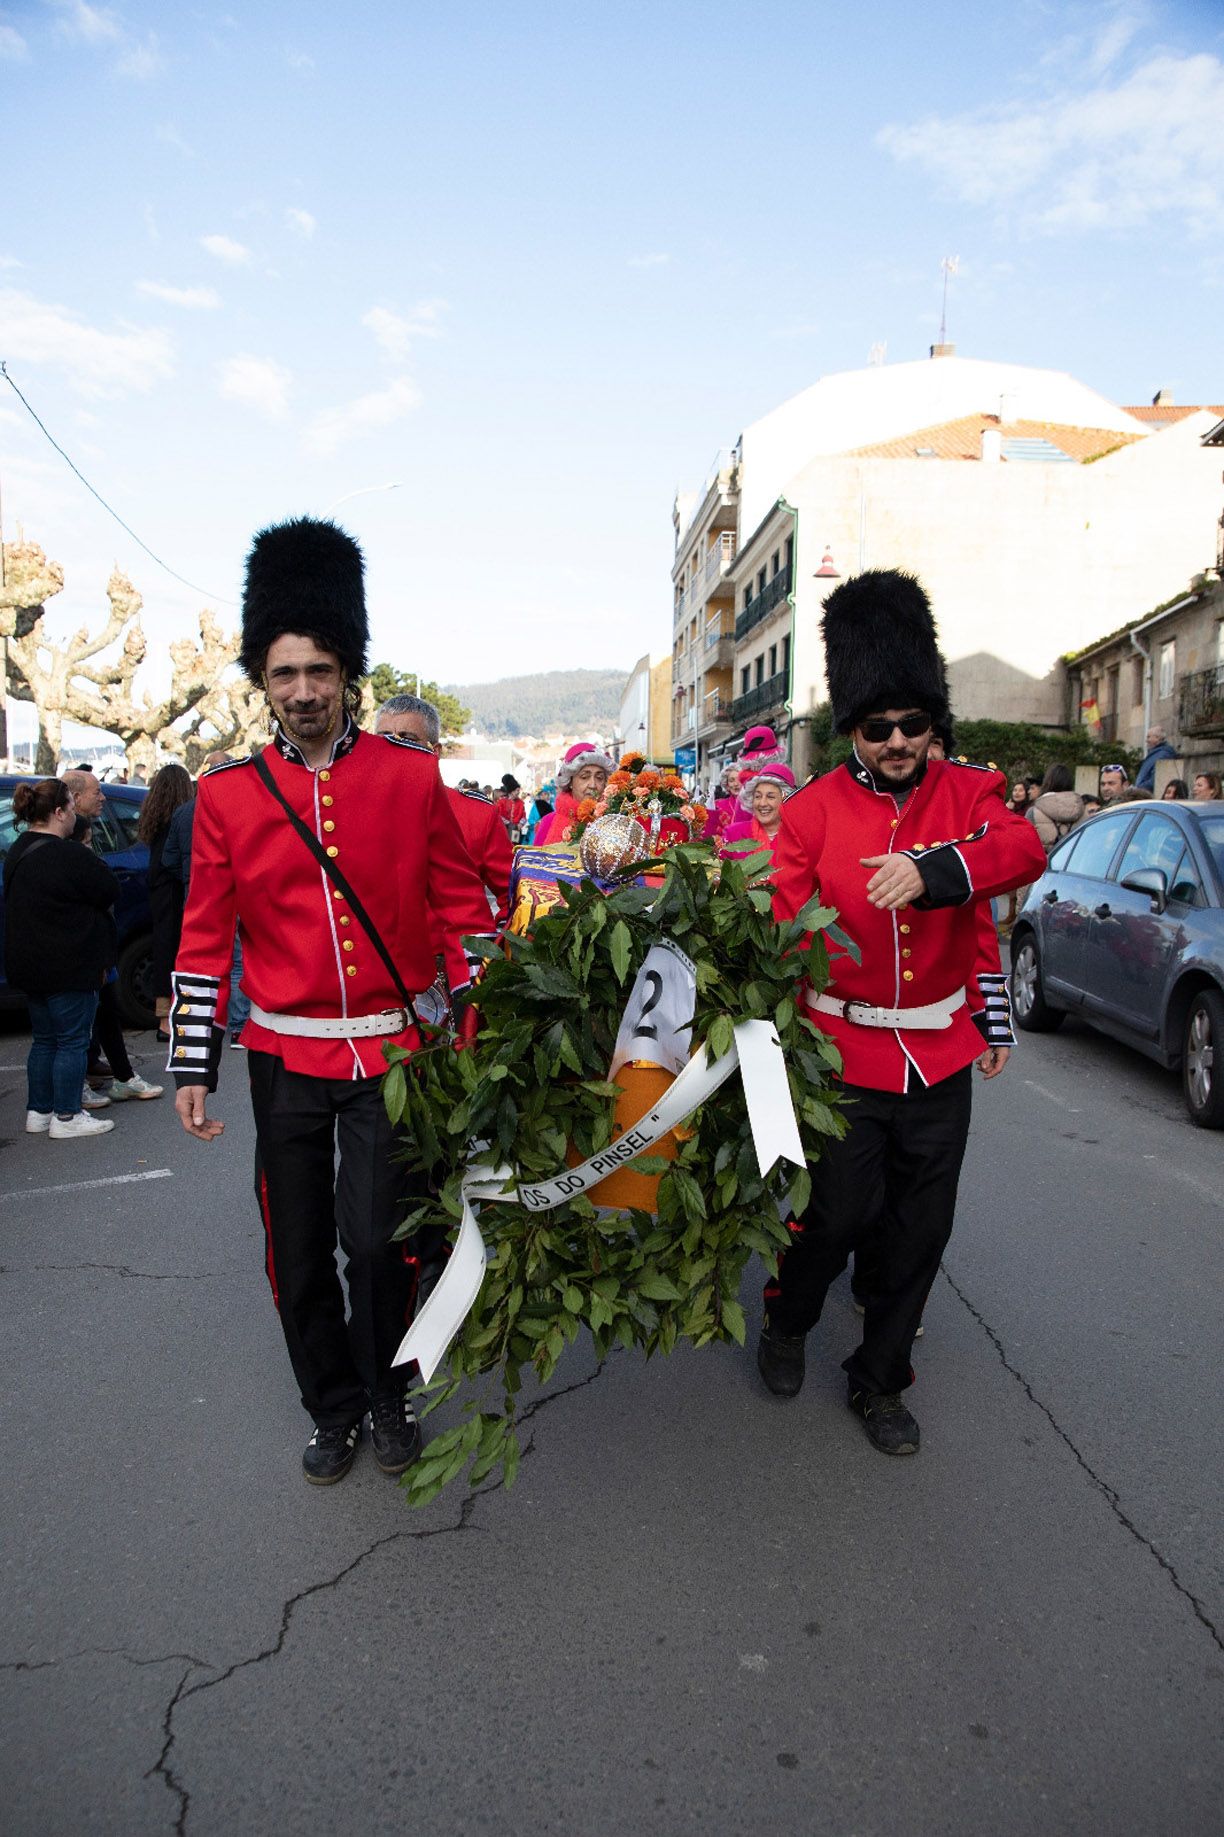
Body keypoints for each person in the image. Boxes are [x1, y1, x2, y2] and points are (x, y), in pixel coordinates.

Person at [169, 517, 494, 1487]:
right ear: (261, 684)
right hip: (284, 1058)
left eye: (318, 670)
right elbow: (201, 936)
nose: (303, 691)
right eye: (283, 675)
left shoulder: (408, 773)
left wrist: (478, 1023)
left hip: (392, 1056)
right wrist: (193, 1063)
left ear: (347, 670)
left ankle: (388, 1389)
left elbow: (458, 906)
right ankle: (333, 1406)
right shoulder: (228, 795)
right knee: (300, 1252)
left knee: (378, 1241)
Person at [759, 569, 1045, 1456]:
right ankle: (789, 1316)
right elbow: (778, 930)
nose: (897, 740)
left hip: (939, 1055)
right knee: (834, 1216)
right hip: (840, 1051)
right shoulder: (808, 814)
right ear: (853, 728)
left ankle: (880, 1379)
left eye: (913, 724)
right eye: (878, 726)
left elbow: (1016, 855)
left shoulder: (970, 793)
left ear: (933, 722)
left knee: (922, 1228)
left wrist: (936, 874)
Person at [3, 778, 120, 1139]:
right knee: (72, 1040)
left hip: (30, 963)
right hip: (69, 963)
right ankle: (67, 1115)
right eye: (71, 806)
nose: (74, 814)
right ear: (58, 813)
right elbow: (107, 890)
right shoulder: (70, 854)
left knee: (45, 1040)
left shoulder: (18, 849)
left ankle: (39, 1110)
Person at [374, 692, 513, 952]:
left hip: (451, 977)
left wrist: (488, 954)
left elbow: (513, 897)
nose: (393, 748)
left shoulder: (477, 815)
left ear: (434, 751)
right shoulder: (350, 807)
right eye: (383, 739)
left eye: (407, 739)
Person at [72, 813, 163, 1106]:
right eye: (87, 842)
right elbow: (107, 889)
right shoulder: (70, 861)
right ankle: (71, 1095)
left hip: (96, 953)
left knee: (101, 1015)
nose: (100, 798)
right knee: (70, 1030)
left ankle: (111, 1075)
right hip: (82, 956)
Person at [139, 764, 194, 1042]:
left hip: (158, 888)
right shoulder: (182, 816)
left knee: (163, 949)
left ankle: (164, 1017)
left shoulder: (154, 816)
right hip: (174, 889)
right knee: (179, 953)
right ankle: (172, 1017)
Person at [533, 743, 614, 845]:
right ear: (570, 781)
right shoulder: (548, 822)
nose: (593, 785)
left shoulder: (615, 821)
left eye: (599, 778)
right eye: (584, 777)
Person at [721, 763, 796, 858]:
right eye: (758, 796)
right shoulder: (733, 835)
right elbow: (718, 871)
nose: (762, 803)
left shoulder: (798, 839)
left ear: (785, 799)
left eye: (770, 797)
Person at [1026, 763, 1084, 853]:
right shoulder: (1084, 811)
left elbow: (1024, 846)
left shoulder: (1033, 812)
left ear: (1047, 782)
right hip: (1077, 864)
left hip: (1046, 865)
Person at [1136, 725, 1178, 792]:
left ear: (1157, 738)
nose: (1146, 740)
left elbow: (1156, 779)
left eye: (1149, 737)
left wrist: (1139, 788)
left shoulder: (1164, 755)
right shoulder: (1156, 754)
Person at [494, 775, 526, 844]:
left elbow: (524, 816)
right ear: (512, 791)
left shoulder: (520, 803)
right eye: (517, 790)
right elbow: (498, 815)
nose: (518, 792)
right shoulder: (502, 802)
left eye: (518, 790)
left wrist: (520, 824)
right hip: (504, 830)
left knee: (514, 847)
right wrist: (509, 824)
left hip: (516, 830)